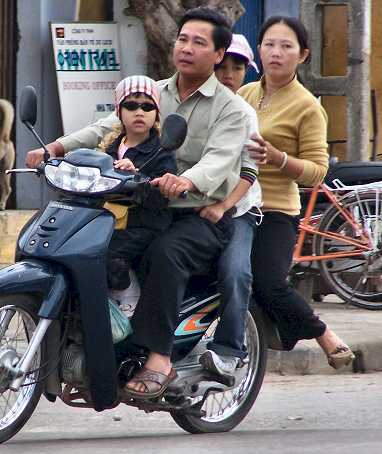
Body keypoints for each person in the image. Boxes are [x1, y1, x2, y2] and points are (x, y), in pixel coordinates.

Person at [26, 7, 253, 396]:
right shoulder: (155, 92)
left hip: (199, 214)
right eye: (183, 39)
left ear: (218, 54)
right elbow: (106, 126)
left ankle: (159, 358)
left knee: (164, 254)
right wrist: (57, 146)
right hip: (143, 205)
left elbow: (220, 157)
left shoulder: (232, 109)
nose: (186, 48)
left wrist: (185, 179)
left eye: (199, 42)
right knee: (88, 245)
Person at [238, 16, 354, 369]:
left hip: (275, 209)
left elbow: (318, 171)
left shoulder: (308, 106)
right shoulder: (245, 94)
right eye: (270, 44)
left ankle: (323, 334)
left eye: (286, 47)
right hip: (237, 203)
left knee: (269, 282)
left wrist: (279, 158)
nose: (276, 53)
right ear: (259, 49)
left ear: (302, 55)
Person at [198, 34, 262, 376]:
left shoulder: (245, 114)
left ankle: (229, 349)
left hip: (238, 209)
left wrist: (223, 206)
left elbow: (249, 172)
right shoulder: (196, 105)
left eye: (237, 68)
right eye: (222, 67)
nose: (228, 74)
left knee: (235, 272)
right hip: (193, 206)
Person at [101, 75, 176, 309]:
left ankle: (126, 293)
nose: (139, 112)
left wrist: (137, 177)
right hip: (110, 222)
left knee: (106, 252)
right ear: (119, 111)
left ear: (156, 112)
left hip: (144, 225)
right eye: (131, 105)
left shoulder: (162, 150)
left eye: (147, 106)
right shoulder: (109, 149)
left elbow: (161, 198)